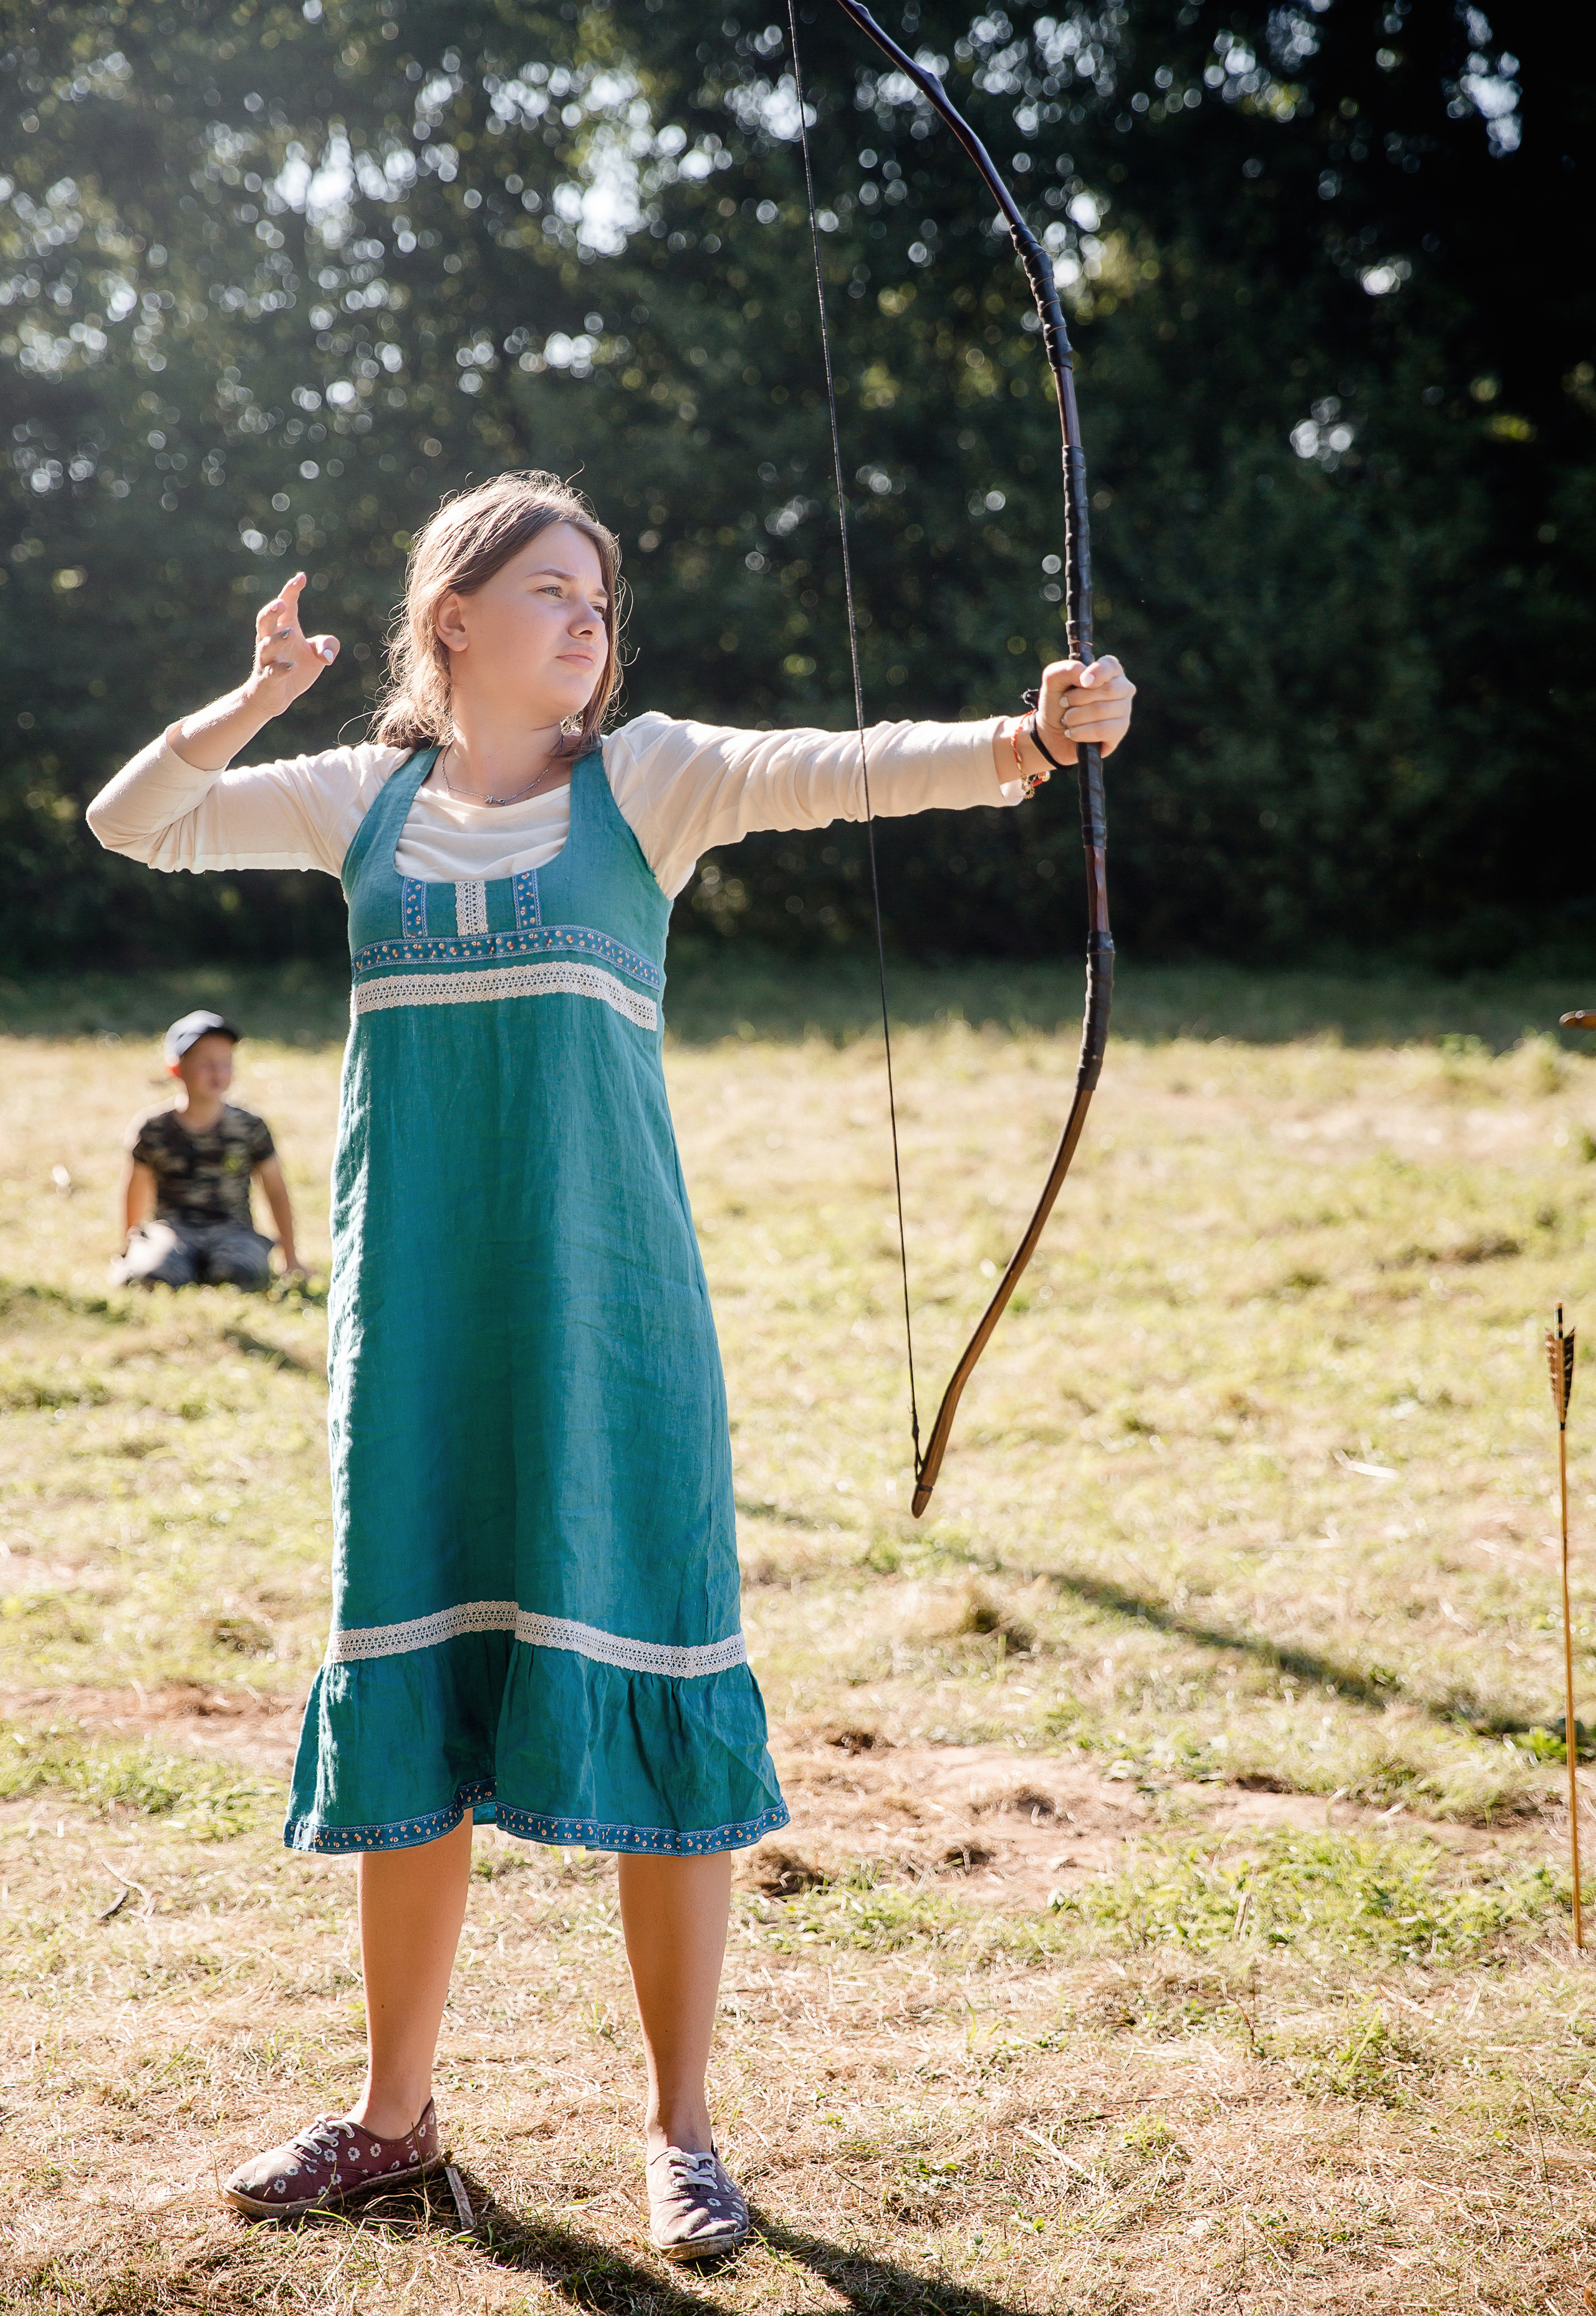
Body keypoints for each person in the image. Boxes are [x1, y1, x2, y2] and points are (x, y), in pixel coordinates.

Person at [86, 471, 1133, 2257]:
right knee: (415, 1682)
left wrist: (1027, 740)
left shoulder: (644, 780)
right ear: (454, 622)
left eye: (601, 598)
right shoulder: (360, 799)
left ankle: (682, 2132)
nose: (589, 622)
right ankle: (394, 2120)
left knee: (658, 1657)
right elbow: (136, 821)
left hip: (616, 1322)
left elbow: (840, 768)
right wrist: (256, 696)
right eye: (552, 593)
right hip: (419, 1330)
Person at [114, 1009, 302, 1290]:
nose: (217, 1072)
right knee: (150, 1276)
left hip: (235, 1232)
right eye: (206, 1063)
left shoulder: (250, 1126)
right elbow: (135, 1189)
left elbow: (275, 1190)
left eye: (225, 1063)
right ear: (176, 1068)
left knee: (242, 1275)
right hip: (172, 1232)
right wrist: (127, 1248)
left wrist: (291, 1258)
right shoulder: (153, 1128)